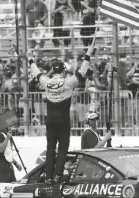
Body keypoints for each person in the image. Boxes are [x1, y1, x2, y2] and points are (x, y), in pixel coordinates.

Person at [26, 43, 95, 188]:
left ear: (54, 71)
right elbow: (82, 71)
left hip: (50, 121)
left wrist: (30, 59)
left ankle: (48, 177)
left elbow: (36, 72)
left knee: (50, 149)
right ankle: (58, 176)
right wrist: (88, 53)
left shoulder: (46, 82)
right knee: (63, 149)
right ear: (63, 71)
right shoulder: (68, 82)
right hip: (64, 121)